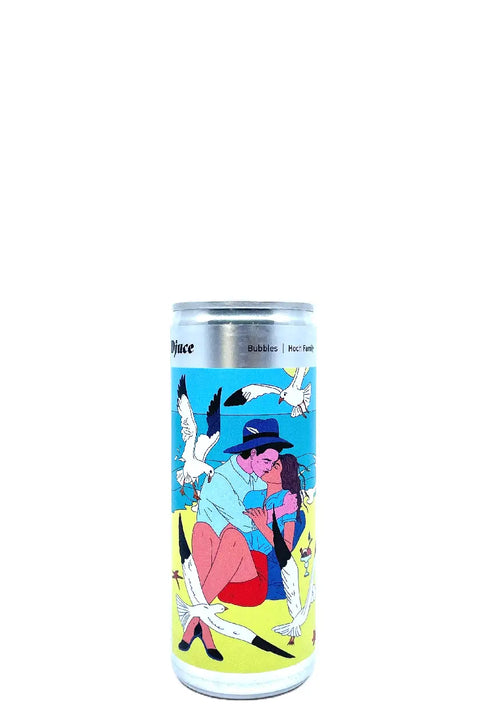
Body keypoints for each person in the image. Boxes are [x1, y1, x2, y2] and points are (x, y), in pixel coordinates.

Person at [179, 418, 296, 659]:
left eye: (274, 463)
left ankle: (194, 621)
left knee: (230, 535)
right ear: (252, 453)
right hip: (220, 567)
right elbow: (246, 521)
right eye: (266, 461)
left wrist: (283, 509)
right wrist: (281, 510)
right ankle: (205, 632)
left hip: (248, 570)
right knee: (202, 531)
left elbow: (261, 528)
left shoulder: (259, 478)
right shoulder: (220, 479)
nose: (269, 468)